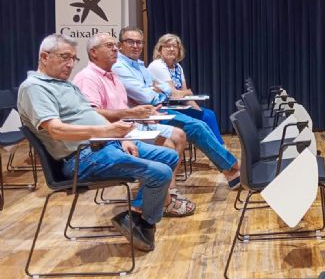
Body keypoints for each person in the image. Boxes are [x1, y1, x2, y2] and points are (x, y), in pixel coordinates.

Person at [18, 34, 180, 251]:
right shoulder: (34, 87)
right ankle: (144, 223)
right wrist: (106, 130)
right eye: (65, 57)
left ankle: (137, 215)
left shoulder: (65, 84)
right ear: (44, 57)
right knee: (160, 173)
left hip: (104, 144)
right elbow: (56, 130)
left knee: (170, 156)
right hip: (81, 157)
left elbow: (90, 113)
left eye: (73, 59)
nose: (69, 64)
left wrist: (119, 138)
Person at [73, 32, 195, 216]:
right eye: (110, 45)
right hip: (109, 137)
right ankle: (154, 203)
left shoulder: (113, 74)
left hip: (130, 125)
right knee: (171, 144)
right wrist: (131, 116)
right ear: (93, 52)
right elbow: (92, 114)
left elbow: (148, 93)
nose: (115, 49)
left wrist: (145, 113)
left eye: (115, 45)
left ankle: (156, 200)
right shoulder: (88, 78)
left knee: (178, 137)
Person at [111, 27, 241, 189]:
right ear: (120, 45)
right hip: (142, 117)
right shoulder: (120, 66)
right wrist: (160, 91)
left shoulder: (139, 65)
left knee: (201, 122)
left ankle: (231, 169)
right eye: (131, 42)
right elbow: (150, 95)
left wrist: (160, 90)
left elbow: (164, 88)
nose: (136, 46)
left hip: (156, 111)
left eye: (139, 42)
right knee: (197, 126)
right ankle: (232, 168)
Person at [147, 33, 225, 146]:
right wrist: (186, 92)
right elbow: (175, 95)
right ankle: (219, 148)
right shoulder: (158, 65)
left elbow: (186, 97)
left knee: (208, 114)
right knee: (206, 116)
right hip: (161, 109)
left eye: (175, 46)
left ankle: (218, 147)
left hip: (178, 106)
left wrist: (198, 110)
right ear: (160, 49)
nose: (172, 49)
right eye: (167, 46)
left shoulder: (178, 67)